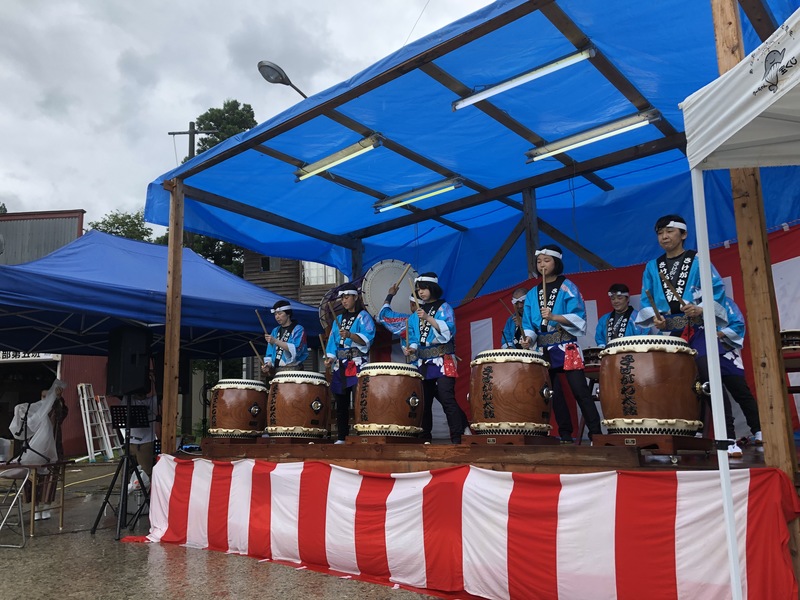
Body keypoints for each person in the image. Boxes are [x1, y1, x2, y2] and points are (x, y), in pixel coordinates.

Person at [521, 245, 602, 443]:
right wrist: (528, 339)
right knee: (550, 394)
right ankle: (565, 434)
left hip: (566, 346)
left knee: (580, 391)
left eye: (546, 261)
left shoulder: (568, 286)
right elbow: (528, 323)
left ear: (556, 262)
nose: (542, 265)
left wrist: (555, 316)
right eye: (539, 261)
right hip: (543, 349)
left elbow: (579, 317)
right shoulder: (532, 293)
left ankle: (596, 434)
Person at [405, 272, 469, 444]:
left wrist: (427, 318)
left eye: (424, 288)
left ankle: (457, 437)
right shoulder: (414, 316)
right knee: (424, 401)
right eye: (418, 289)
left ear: (432, 288)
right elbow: (413, 338)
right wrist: (411, 349)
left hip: (442, 359)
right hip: (424, 361)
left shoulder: (444, 308)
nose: (421, 292)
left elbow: (448, 330)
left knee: (446, 398)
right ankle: (425, 437)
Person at [706, 297, 762, 457]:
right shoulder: (690, 305)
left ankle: (758, 429)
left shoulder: (724, 302)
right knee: (706, 395)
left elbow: (737, 324)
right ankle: (717, 436)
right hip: (703, 354)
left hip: (725, 351)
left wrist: (717, 334)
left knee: (741, 392)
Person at [324, 284, 376, 444]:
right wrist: (330, 358)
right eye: (342, 298)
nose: (344, 301)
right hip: (341, 364)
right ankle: (341, 436)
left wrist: (350, 335)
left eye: (347, 297)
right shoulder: (338, 319)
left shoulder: (363, 317)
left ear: (355, 297)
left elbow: (368, 339)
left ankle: (362, 435)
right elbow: (333, 341)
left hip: (358, 363)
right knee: (341, 402)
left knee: (361, 400)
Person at [261, 300, 309, 374]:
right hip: (277, 372)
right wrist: (268, 365)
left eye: (280, 313)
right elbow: (270, 352)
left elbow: (296, 349)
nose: (277, 317)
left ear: (288, 314)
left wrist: (276, 341)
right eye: (275, 314)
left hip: (294, 371)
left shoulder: (298, 329)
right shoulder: (275, 331)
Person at [594, 283, 649, 347]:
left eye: (619, 298)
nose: (616, 301)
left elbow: (644, 339)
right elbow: (600, 339)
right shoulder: (604, 319)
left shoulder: (639, 318)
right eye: (613, 298)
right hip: (609, 355)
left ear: (627, 299)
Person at [127, 372, 160, 479]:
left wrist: (154, 381)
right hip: (130, 442)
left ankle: (147, 492)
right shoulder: (129, 400)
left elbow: (161, 393)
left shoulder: (153, 401)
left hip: (146, 443)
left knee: (146, 472)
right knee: (127, 473)